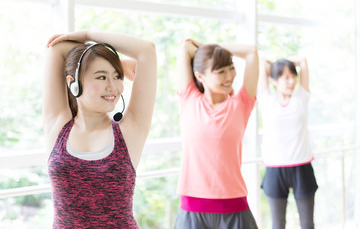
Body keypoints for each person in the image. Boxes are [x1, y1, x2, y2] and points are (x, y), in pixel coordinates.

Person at [43, 31, 157, 228]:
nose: (113, 87)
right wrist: (99, 56)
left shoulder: (130, 131)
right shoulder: (57, 125)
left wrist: (88, 34)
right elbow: (57, 49)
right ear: (74, 84)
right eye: (102, 77)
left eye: (117, 76)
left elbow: (146, 50)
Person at [174, 39, 259, 229]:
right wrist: (212, 52)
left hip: (234, 208)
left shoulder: (241, 103)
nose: (229, 76)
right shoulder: (188, 99)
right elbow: (185, 48)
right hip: (192, 210)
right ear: (200, 76)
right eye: (220, 71)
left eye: (231, 68)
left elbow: (251, 51)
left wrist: (217, 50)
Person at [258, 58, 318, 229]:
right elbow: (263, 64)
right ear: (274, 80)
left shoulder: (301, 97)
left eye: (293, 76)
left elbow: (304, 62)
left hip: (302, 166)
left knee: (307, 224)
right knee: (278, 225)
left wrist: (288, 63)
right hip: (275, 169)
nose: (292, 81)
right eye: (285, 77)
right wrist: (276, 64)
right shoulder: (266, 99)